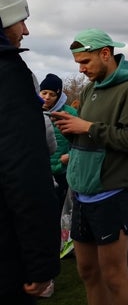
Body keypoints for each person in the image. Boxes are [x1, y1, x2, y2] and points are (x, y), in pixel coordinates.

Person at [53, 28, 128, 305]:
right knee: (87, 270)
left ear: (105, 54)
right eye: (78, 63)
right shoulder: (89, 89)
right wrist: (71, 129)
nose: (82, 69)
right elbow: (91, 135)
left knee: (113, 274)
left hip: (113, 191)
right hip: (82, 191)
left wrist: (88, 126)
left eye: (85, 62)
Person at [0, 0, 60, 304]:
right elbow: (22, 171)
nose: (25, 30)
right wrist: (41, 261)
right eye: (19, 19)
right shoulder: (10, 75)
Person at [39, 73, 78, 211]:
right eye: (44, 93)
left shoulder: (70, 114)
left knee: (60, 209)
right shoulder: (32, 111)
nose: (47, 97)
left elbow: (80, 142)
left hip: (62, 171)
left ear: (59, 95)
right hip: (40, 170)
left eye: (52, 94)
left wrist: (70, 156)